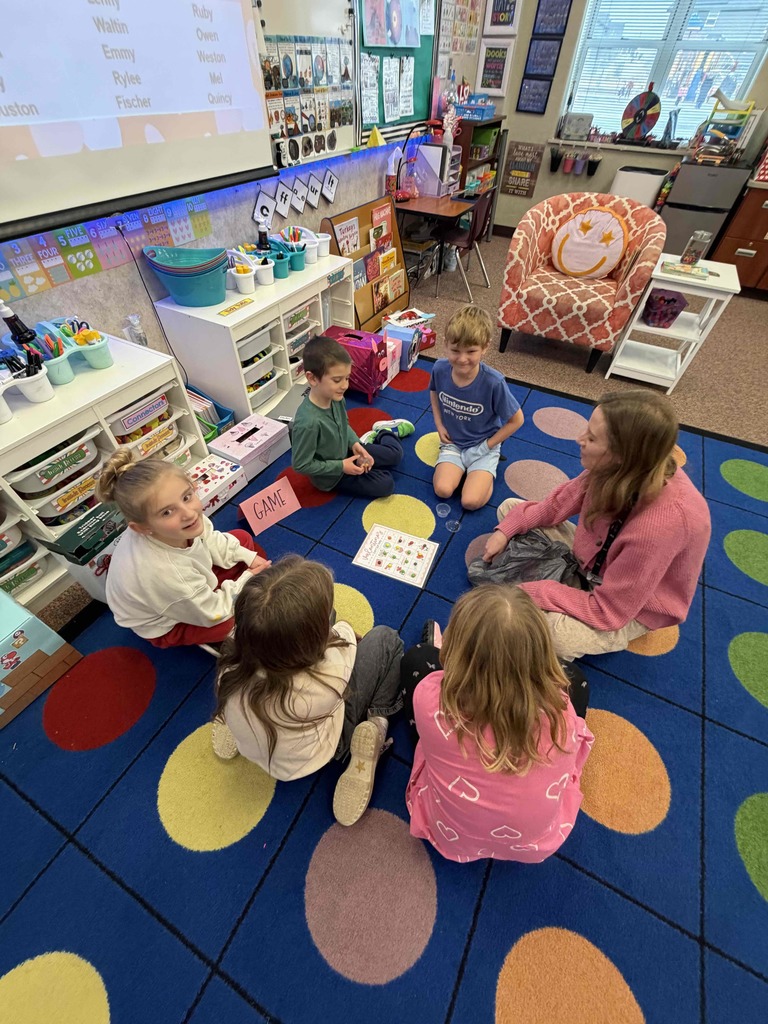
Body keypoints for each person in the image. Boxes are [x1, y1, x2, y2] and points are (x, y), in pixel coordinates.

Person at [482, 390, 711, 661]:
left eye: (591, 438)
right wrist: (505, 532)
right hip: (595, 562)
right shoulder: (616, 469)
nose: (580, 440)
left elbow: (608, 611)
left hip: (627, 606)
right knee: (510, 510)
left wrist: (533, 593)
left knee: (555, 638)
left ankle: (566, 598)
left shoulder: (661, 526)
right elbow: (554, 507)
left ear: (622, 456)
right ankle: (568, 587)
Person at [403, 587, 593, 863]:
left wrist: (451, 661)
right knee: (576, 679)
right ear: (541, 656)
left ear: (455, 653)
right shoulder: (561, 715)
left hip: (450, 835)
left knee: (417, 660)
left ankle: (447, 652)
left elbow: (443, 680)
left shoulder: (430, 700)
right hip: (534, 845)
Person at [214, 556, 404, 826]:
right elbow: (346, 637)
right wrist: (341, 629)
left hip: (257, 716)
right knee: (386, 639)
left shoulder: (230, 658)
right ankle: (377, 726)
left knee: (308, 618)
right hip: (321, 747)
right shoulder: (328, 676)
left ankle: (233, 720)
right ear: (309, 647)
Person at [96, 449, 270, 649]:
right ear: (143, 528)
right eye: (167, 512)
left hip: (179, 586)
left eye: (187, 497)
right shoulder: (164, 572)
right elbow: (214, 612)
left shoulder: (184, 522)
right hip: (163, 622)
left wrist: (247, 558)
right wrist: (246, 578)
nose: (188, 513)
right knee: (227, 624)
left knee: (242, 540)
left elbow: (210, 538)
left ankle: (215, 589)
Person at [291, 335, 414, 498]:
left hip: (346, 450)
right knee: (386, 484)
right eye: (337, 380)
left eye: (347, 378)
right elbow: (301, 465)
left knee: (395, 455)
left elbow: (344, 426)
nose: (345, 385)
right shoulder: (308, 422)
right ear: (312, 378)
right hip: (333, 476)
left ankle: (382, 431)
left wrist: (356, 445)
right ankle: (369, 444)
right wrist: (341, 466)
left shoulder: (336, 397)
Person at [430, 306, 524, 511]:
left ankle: (485, 471)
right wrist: (439, 424)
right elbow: (434, 391)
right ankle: (466, 471)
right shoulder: (439, 368)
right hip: (453, 443)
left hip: (484, 447)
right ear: (445, 345)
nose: (462, 359)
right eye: (455, 350)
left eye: (471, 351)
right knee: (443, 490)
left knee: (470, 502)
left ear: (485, 347)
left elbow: (517, 420)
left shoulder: (494, 382)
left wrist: (487, 447)